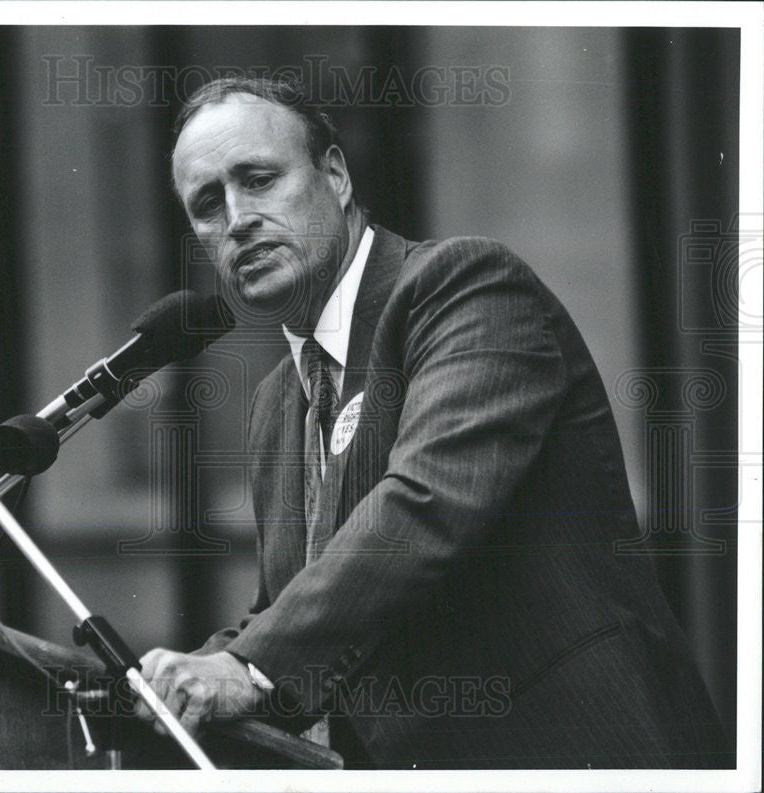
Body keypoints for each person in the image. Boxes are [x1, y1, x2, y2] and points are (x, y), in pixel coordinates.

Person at [137, 76, 730, 768]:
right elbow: (290, 602)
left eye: (258, 179)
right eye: (208, 204)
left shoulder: (461, 287)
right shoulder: (277, 401)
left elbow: (426, 503)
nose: (237, 217)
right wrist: (175, 676)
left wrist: (245, 666)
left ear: (335, 175)